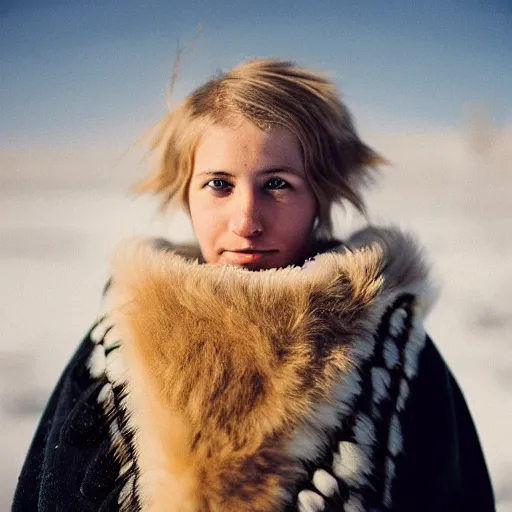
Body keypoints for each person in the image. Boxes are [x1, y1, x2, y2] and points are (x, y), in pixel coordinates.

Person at [13, 59, 494, 511]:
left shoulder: (387, 352)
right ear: (186, 194)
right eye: (219, 184)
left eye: (277, 184)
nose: (246, 221)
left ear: (320, 197)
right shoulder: (123, 340)